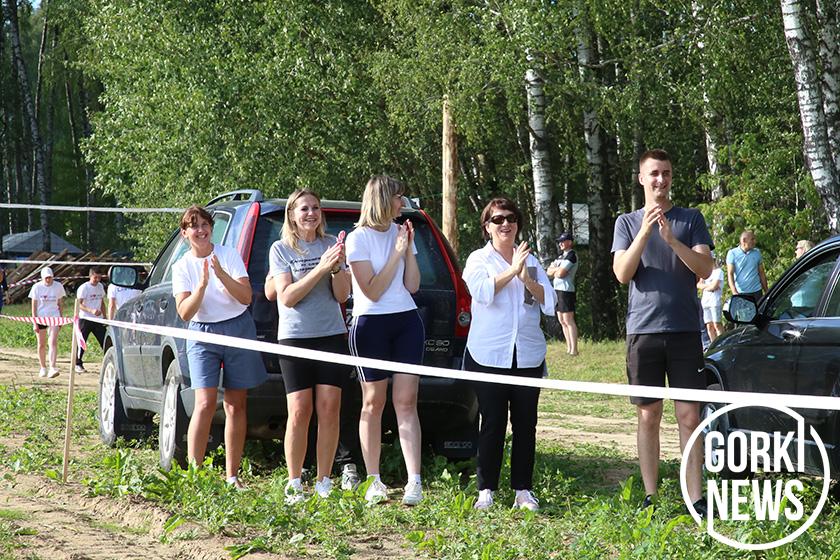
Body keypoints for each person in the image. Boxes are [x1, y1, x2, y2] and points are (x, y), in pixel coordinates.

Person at [611, 149, 713, 514]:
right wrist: (645, 231)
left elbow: (705, 268)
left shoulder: (691, 218)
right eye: (654, 173)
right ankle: (651, 496)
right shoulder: (626, 222)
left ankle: (695, 498)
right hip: (643, 332)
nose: (661, 179)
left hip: (685, 331)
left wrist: (671, 240)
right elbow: (622, 273)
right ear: (642, 178)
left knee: (690, 416)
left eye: (666, 173)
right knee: (648, 416)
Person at [462, 197, 555, 512]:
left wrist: (526, 277)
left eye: (511, 218)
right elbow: (481, 292)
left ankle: (523, 491)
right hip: (489, 354)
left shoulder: (531, 259)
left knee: (526, 424)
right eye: (498, 219)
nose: (506, 224)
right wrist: (512, 271)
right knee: (493, 422)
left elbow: (550, 303)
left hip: (527, 355)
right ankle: (486, 490)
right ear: (487, 226)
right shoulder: (478, 259)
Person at [264, 189, 352, 504]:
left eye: (315, 208)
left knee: (329, 408)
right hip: (295, 338)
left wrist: (338, 267)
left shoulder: (330, 245)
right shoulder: (280, 249)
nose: (311, 213)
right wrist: (320, 269)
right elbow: (287, 297)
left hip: (331, 335)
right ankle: (294, 481)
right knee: (300, 410)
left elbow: (342, 296)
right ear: (292, 215)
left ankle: (324, 480)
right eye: (304, 209)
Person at [171, 205, 267, 488]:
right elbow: (185, 313)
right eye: (194, 226)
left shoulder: (228, 255)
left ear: (212, 228)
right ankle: (195, 475)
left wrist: (221, 274)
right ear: (185, 233)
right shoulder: (182, 266)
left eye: (205, 225)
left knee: (236, 405)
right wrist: (201, 287)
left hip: (238, 328)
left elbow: (246, 297)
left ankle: (232, 476)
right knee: (205, 403)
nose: (201, 230)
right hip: (202, 333)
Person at [346, 175, 425, 506]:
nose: (402, 203)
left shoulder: (401, 231)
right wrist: (396, 254)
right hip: (371, 325)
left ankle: (414, 481)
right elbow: (373, 291)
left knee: (406, 401)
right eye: (397, 197)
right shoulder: (357, 239)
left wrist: (408, 251)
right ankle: (374, 480)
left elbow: (413, 286)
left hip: (407, 321)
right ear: (381, 199)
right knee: (373, 402)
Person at [29, 267, 66, 378]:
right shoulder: (37, 287)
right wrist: (35, 322)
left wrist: (61, 318)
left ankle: (52, 367)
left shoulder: (58, 286)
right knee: (41, 344)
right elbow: (34, 306)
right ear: (42, 278)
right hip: (41, 317)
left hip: (54, 316)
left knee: (53, 341)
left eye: (50, 278)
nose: (49, 280)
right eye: (46, 278)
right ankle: (43, 367)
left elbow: (60, 303)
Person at [547, 232, 579, 356]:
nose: (560, 243)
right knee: (561, 320)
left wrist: (556, 270)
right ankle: (569, 348)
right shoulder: (561, 257)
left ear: (569, 242)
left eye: (563, 241)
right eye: (559, 241)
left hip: (566, 290)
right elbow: (549, 271)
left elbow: (561, 274)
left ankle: (574, 350)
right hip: (557, 290)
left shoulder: (571, 255)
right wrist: (557, 269)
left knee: (568, 319)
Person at [75, 266, 107, 373]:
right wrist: (91, 310)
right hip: (85, 318)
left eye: (99, 278)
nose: (97, 280)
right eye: (95, 278)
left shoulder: (100, 286)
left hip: (98, 319)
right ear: (90, 276)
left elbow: (102, 302)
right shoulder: (84, 288)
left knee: (105, 340)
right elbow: (79, 304)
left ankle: (109, 360)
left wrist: (104, 316)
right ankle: (78, 363)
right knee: (82, 342)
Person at [726, 230, 767, 301]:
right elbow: (730, 274)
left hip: (757, 291)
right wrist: (734, 292)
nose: (755, 241)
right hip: (742, 292)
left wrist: (766, 290)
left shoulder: (757, 252)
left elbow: (761, 272)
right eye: (752, 239)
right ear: (744, 240)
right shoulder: (732, 253)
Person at [697, 256, 725, 343]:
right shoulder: (705, 273)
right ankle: (713, 344)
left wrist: (707, 286)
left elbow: (714, 286)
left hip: (715, 301)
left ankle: (722, 344)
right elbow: (698, 285)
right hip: (705, 302)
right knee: (709, 326)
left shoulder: (719, 272)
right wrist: (709, 286)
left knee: (717, 324)